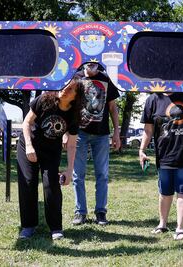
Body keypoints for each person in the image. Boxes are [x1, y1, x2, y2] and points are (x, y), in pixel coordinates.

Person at [17, 77, 85, 240]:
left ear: (76, 96)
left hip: (51, 151)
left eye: (70, 89)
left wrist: (69, 170)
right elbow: (26, 123)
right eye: (65, 86)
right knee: (28, 182)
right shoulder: (44, 99)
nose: (65, 90)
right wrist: (29, 146)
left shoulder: (74, 115)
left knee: (51, 185)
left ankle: (55, 228)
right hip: (28, 144)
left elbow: (71, 144)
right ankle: (28, 226)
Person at [138, 92, 183, 240]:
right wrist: (142, 150)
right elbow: (148, 129)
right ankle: (162, 224)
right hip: (164, 155)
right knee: (165, 192)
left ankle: (180, 228)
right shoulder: (153, 99)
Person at [65, 62, 121, 226]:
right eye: (89, 64)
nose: (92, 66)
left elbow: (112, 107)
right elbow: (67, 105)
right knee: (77, 175)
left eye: (95, 64)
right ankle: (80, 212)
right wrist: (67, 133)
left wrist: (116, 132)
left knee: (102, 175)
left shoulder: (105, 79)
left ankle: (101, 212)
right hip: (79, 133)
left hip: (102, 134)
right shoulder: (75, 78)